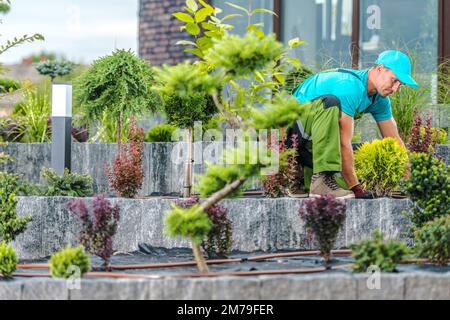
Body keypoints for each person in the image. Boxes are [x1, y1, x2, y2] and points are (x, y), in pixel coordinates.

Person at [287, 50, 418, 199]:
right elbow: (344, 142)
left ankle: (302, 180)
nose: (395, 89)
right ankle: (321, 180)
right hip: (287, 134)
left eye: (400, 85)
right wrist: (356, 189)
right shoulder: (350, 86)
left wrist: (411, 183)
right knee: (330, 103)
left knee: (345, 186)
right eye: (394, 80)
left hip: (308, 141)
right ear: (380, 68)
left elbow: (395, 140)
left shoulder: (380, 99)